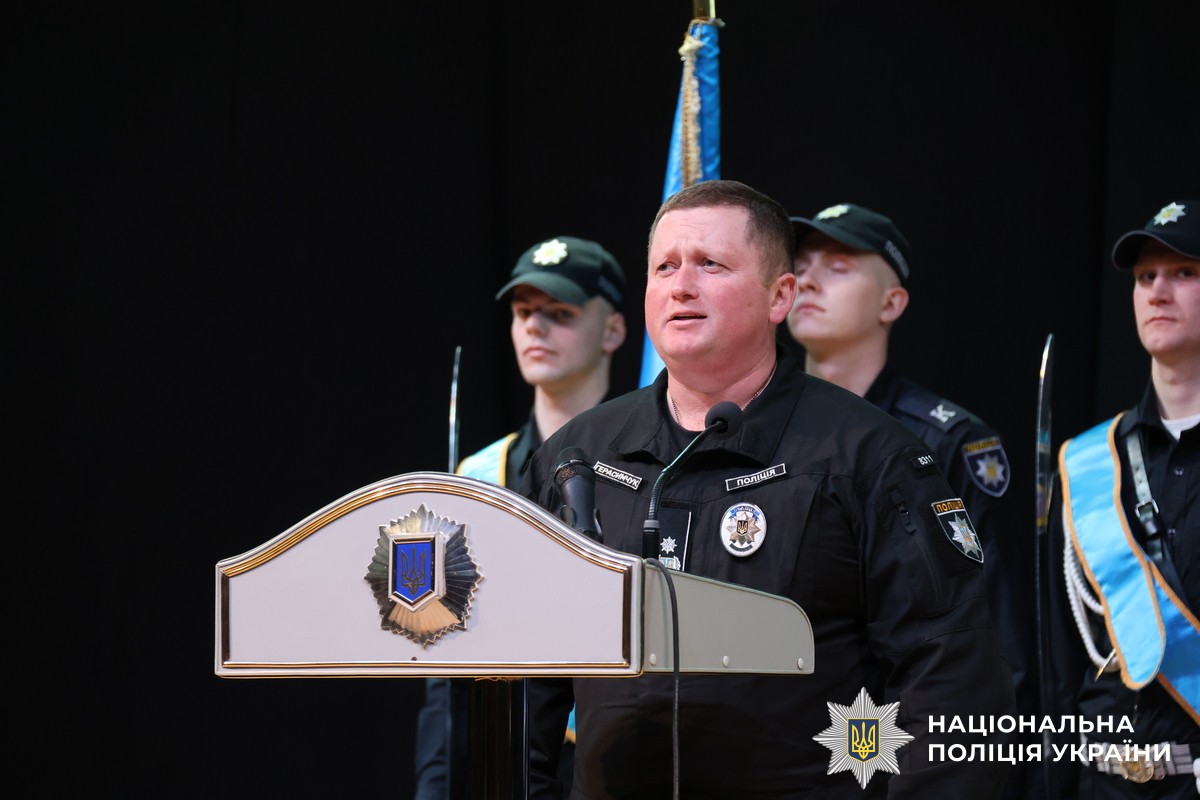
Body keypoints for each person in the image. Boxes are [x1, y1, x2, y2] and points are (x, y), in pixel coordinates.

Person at [521, 179, 1016, 799]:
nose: (681, 286)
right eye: (665, 267)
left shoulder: (867, 455)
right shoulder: (576, 457)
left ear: (780, 295)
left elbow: (950, 678)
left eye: (710, 264)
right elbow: (521, 678)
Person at [784, 202, 1039, 797]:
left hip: (895, 759)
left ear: (891, 303)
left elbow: (995, 640)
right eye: (802, 264)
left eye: (839, 266)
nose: (809, 280)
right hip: (775, 753)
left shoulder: (946, 442)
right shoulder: (751, 429)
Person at [413, 235, 628, 800]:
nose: (536, 326)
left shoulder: (648, 463)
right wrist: (434, 786)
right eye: (524, 311)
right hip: (507, 751)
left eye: (561, 313)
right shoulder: (479, 474)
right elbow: (441, 657)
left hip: (621, 752)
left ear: (613, 331)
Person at [1046, 200, 1199, 799]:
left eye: (1184, 272)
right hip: (1104, 783)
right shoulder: (1088, 462)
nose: (1158, 291)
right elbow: (1063, 659)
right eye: (1144, 277)